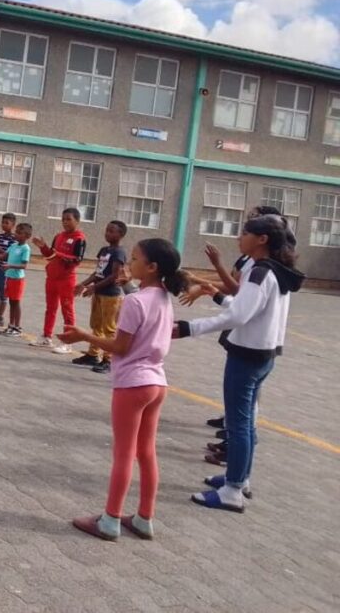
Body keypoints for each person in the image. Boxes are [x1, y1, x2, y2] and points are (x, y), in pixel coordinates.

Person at [57, 238, 185, 541]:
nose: (130, 264)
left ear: (152, 267)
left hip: (133, 383)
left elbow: (120, 346)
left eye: (136, 259)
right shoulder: (163, 297)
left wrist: (83, 336)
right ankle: (144, 517)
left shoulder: (135, 301)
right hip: (157, 382)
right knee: (146, 452)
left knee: (124, 454)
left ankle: (110, 519)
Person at [176, 215, 304, 513]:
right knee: (244, 423)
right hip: (263, 355)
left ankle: (232, 491)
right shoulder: (275, 270)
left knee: (238, 424)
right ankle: (239, 477)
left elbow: (238, 317)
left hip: (247, 357)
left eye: (245, 232)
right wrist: (218, 296)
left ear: (262, 239)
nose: (239, 237)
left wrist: (188, 328)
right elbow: (248, 308)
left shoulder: (260, 272)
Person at [72, 220, 128, 373]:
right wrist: (83, 284)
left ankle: (108, 360)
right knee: (96, 325)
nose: (107, 233)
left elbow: (114, 276)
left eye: (112, 231)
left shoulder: (119, 253)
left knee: (109, 328)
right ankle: (92, 354)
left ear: (121, 234)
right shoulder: (104, 250)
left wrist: (94, 287)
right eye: (107, 230)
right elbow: (98, 273)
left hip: (111, 295)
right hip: (99, 293)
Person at [30, 208, 86, 354]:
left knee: (67, 309)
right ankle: (46, 336)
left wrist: (59, 255)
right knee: (50, 308)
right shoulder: (58, 236)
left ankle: (67, 342)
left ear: (77, 221)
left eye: (69, 219)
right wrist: (43, 247)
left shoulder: (79, 238)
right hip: (52, 278)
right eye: (63, 219)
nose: (65, 222)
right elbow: (51, 255)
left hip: (66, 279)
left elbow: (77, 260)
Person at [0, 222, 33, 337]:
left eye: (19, 233)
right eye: (16, 232)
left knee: (16, 302)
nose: (16, 234)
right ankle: (11, 325)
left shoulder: (26, 248)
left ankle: (17, 327)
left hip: (18, 279)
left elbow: (24, 265)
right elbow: (4, 256)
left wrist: (10, 266)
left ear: (27, 236)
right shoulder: (13, 245)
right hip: (9, 277)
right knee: (11, 302)